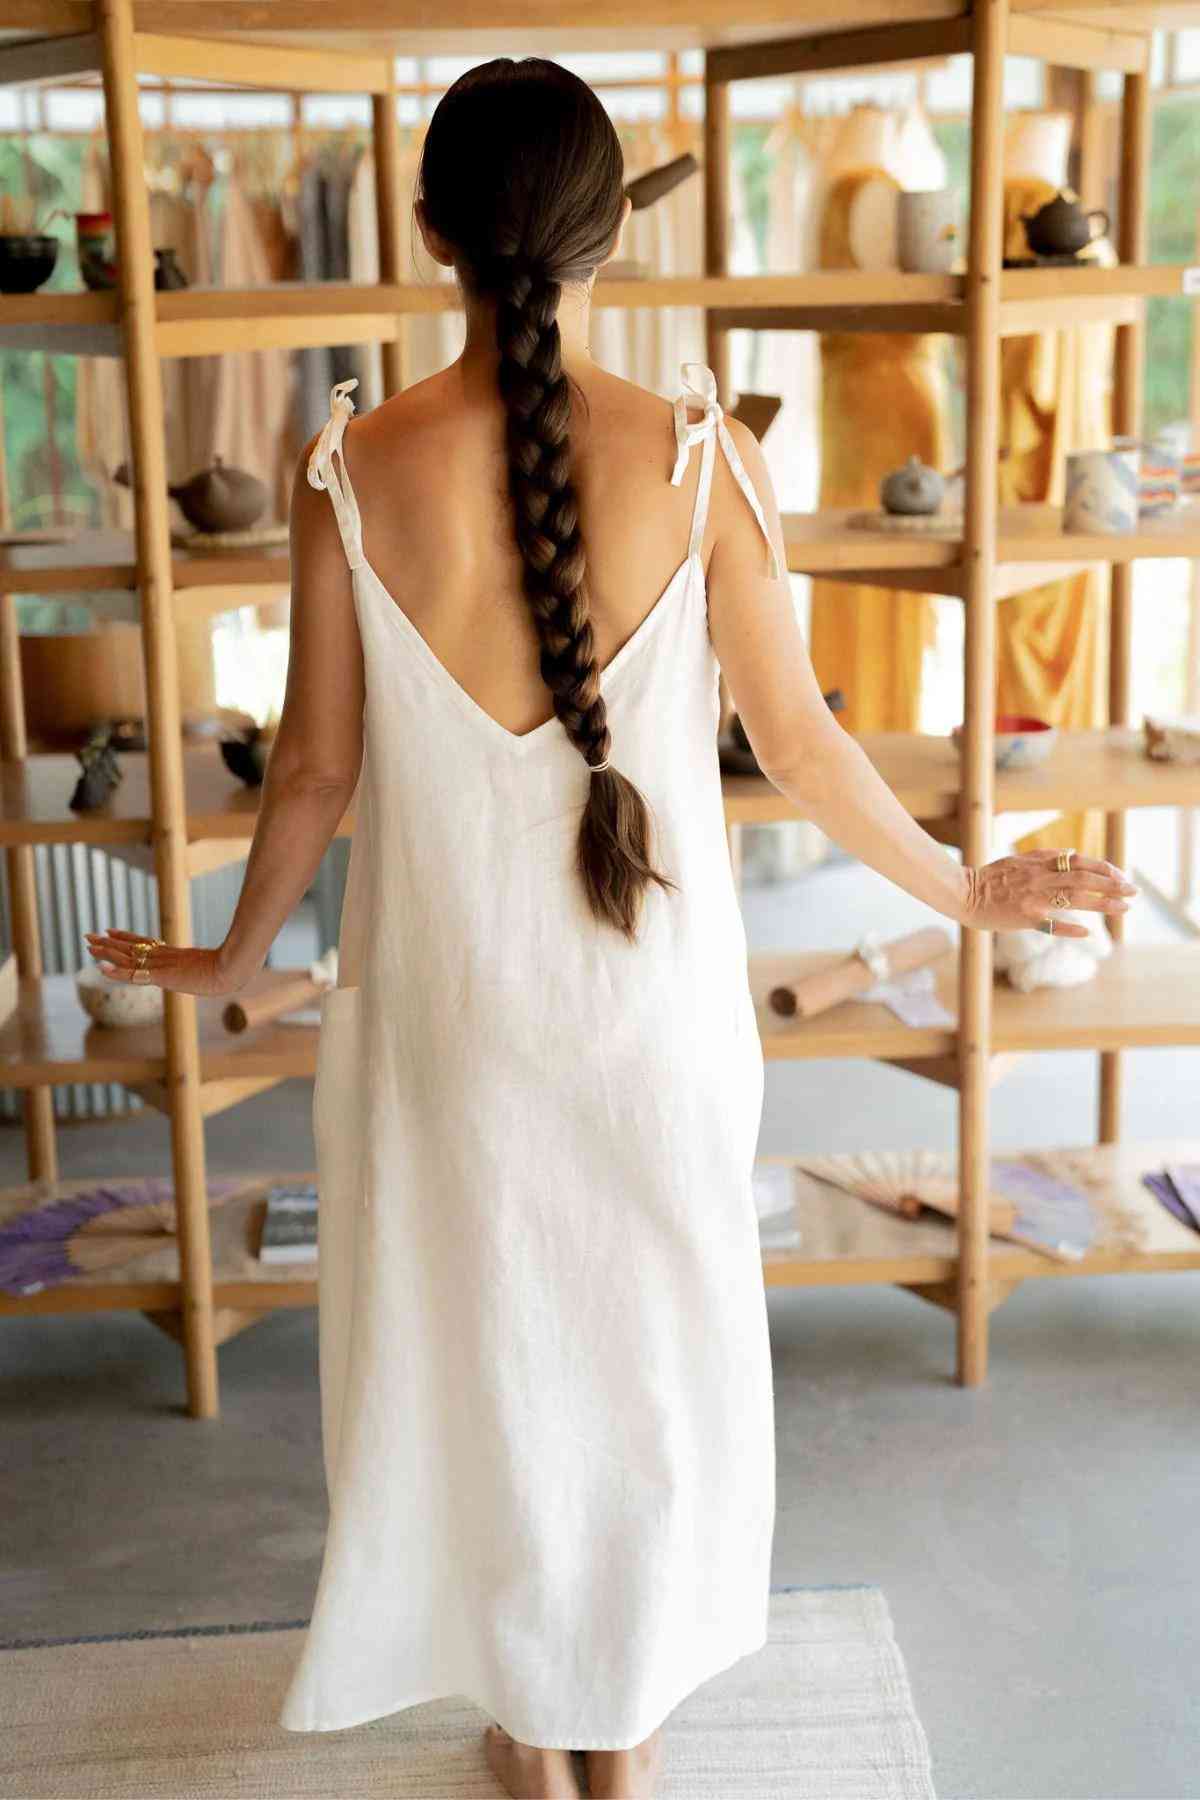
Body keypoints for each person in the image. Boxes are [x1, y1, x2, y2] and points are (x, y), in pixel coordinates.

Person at [87, 56, 1138, 1800]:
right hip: (653, 1028)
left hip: (443, 1028)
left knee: (491, 1379)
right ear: (609, 239)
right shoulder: (702, 456)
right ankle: (619, 1742)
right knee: (648, 1383)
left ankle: (529, 1715)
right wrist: (961, 888)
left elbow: (312, 777)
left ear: (426, 227)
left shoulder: (347, 463)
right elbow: (798, 743)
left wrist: (232, 956)